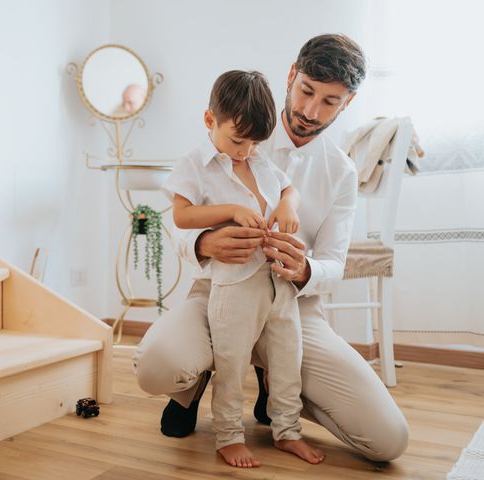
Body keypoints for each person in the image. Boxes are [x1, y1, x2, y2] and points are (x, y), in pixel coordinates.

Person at [133, 33, 409, 464]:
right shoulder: (234, 128)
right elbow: (179, 220)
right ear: (291, 76)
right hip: (219, 293)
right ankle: (198, 379)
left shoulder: (340, 171)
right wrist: (206, 242)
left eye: (330, 102)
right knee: (156, 366)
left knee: (388, 440)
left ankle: (279, 396)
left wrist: (304, 270)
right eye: (305, 92)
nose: (310, 111)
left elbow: (335, 263)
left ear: (348, 103)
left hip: (293, 305)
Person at [162, 70, 324, 468]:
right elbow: (182, 216)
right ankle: (228, 435)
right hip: (233, 284)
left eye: (254, 141)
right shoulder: (193, 165)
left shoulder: (261, 159)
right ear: (209, 120)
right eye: (237, 139)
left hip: (279, 282)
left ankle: (287, 431)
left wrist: (287, 205)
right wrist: (232, 211)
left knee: (287, 362)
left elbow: (290, 188)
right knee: (231, 364)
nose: (245, 150)